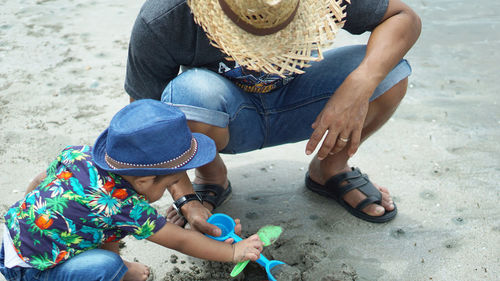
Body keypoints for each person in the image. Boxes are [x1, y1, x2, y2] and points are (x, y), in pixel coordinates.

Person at [124, 0, 421, 234]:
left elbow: (404, 18)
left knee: (390, 74)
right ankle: (211, 176)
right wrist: (184, 194)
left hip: (305, 104)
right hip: (221, 119)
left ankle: (330, 168)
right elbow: (143, 121)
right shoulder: (165, 15)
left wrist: (359, 86)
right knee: (187, 94)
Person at [0, 100, 263, 281]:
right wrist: (233, 253)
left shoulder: (78, 155)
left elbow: (38, 182)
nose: (170, 189)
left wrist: (35, 220)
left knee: (100, 222)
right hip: (32, 269)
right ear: (145, 181)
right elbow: (181, 240)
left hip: (10, 237)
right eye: (170, 184)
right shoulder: (128, 207)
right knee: (107, 267)